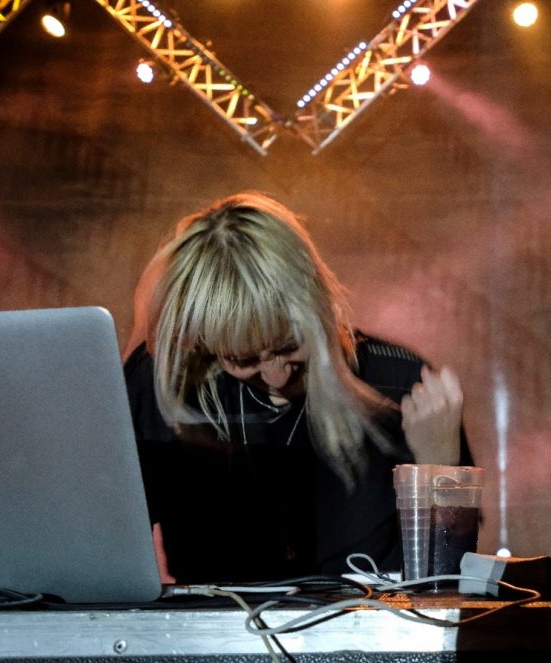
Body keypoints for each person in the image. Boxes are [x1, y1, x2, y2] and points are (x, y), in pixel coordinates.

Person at [124, 191, 471, 584]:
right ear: (204, 341)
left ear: (316, 305)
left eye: (289, 346)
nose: (276, 376)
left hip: (368, 623)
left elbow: (447, 584)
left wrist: (442, 466)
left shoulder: (397, 382)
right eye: (243, 359)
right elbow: (106, 556)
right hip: (218, 624)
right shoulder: (166, 388)